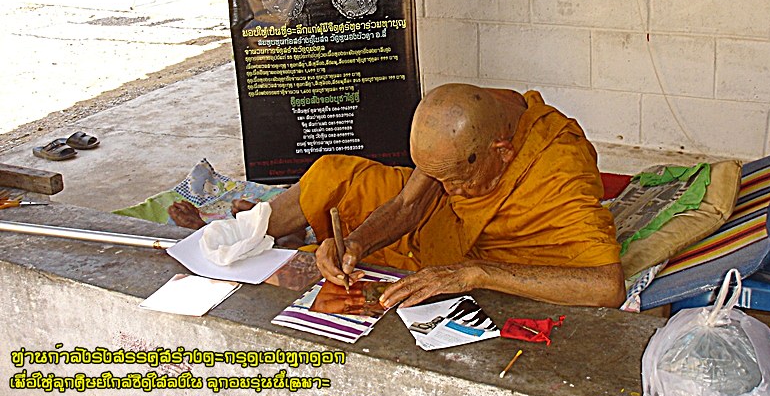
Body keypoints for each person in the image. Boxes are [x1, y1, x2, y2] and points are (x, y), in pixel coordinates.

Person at [171, 84, 625, 309]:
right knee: (335, 174)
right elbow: (410, 204)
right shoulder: (467, 124)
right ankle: (245, 232)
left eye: (454, 181)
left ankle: (279, 231)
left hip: (487, 260)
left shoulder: (557, 164)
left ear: (501, 152)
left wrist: (475, 274)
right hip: (435, 234)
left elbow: (607, 286)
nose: (447, 191)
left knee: (346, 266)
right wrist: (358, 243)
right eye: (437, 175)